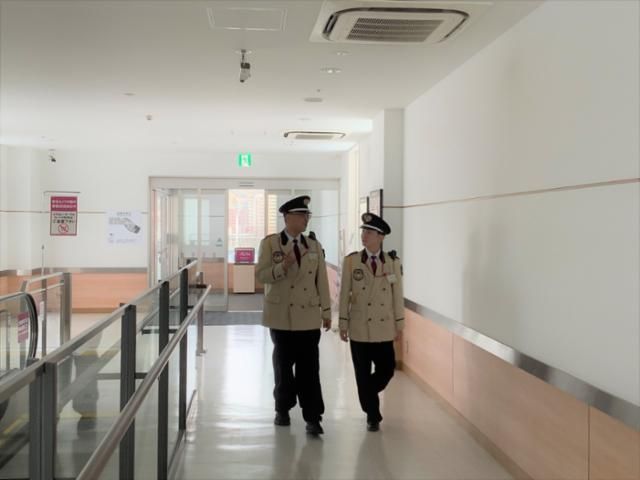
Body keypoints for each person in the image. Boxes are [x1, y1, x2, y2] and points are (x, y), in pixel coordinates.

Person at [256, 195, 332, 435]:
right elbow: (261, 275)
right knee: (283, 367)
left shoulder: (314, 246)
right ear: (287, 218)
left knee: (309, 369)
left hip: (308, 316)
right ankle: (282, 408)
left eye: (307, 215)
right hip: (281, 316)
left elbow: (322, 281)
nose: (306, 219)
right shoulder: (270, 244)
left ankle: (313, 417)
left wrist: (326, 311)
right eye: (302, 215)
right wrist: (283, 265)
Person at [338, 213, 404, 432]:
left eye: (369, 232)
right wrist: (343, 323)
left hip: (383, 327)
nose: (364, 235)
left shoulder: (392, 262)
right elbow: (344, 294)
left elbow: (397, 296)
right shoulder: (352, 262)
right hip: (360, 326)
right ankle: (372, 415)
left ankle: (367, 392)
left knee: (387, 369)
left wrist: (399, 325)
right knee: (362, 373)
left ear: (381, 236)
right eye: (363, 231)